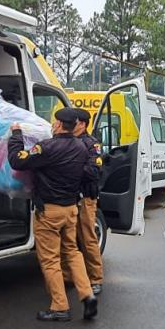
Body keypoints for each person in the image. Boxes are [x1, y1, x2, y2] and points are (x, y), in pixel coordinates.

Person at [9, 108, 98, 322]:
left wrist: (16, 136)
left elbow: (18, 161)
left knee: (50, 259)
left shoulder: (47, 148)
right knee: (73, 252)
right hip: (70, 209)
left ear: (58, 124)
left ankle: (59, 307)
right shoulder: (81, 147)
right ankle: (87, 294)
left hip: (50, 211)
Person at [69, 108, 105, 295]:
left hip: (85, 197)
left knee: (88, 236)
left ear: (82, 124)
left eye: (73, 122)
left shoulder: (91, 144)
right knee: (68, 239)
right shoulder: (66, 140)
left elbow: (94, 171)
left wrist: (70, 168)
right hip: (67, 197)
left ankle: (95, 278)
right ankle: (70, 276)